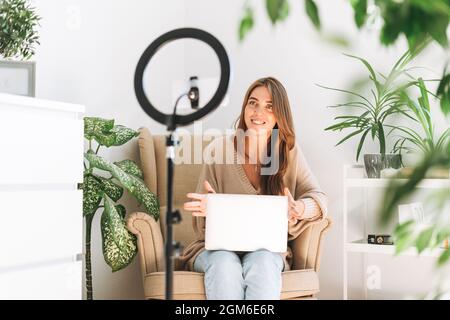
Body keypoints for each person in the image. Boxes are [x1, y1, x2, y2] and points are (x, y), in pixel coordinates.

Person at [179, 77, 327, 300]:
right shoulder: (220, 149)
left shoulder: (289, 152)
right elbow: (202, 228)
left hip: (266, 252)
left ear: (280, 115)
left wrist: (298, 208)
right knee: (224, 266)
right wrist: (211, 210)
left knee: (264, 264)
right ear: (245, 107)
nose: (258, 112)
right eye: (253, 103)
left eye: (269, 107)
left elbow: (319, 199)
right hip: (215, 251)